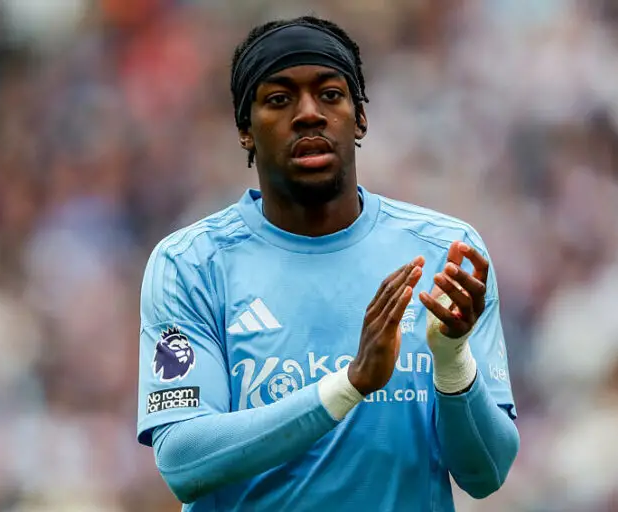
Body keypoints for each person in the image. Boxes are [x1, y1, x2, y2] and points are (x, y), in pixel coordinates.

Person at [136, 15, 519, 511]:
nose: (309, 114)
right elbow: (183, 461)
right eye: (279, 99)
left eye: (331, 94)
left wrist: (451, 360)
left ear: (360, 119)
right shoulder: (191, 265)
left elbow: (487, 473)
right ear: (245, 131)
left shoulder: (447, 253)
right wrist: (349, 384)